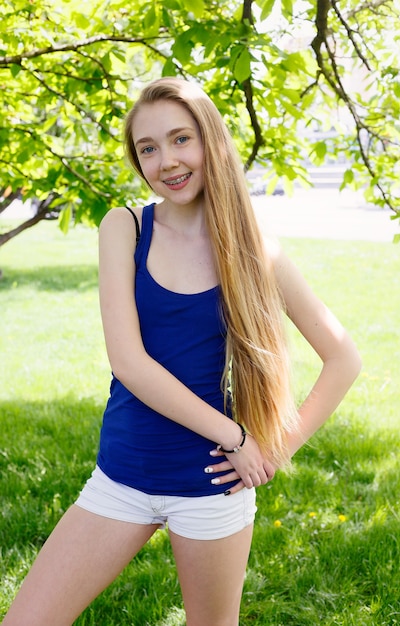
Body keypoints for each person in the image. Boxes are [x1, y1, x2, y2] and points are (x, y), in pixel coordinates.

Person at [3, 77, 361, 626]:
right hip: (121, 477)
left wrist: (270, 452)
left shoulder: (252, 245)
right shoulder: (124, 227)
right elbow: (129, 362)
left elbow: (343, 358)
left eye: (180, 139)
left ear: (211, 142)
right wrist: (236, 436)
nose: (166, 160)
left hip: (211, 489)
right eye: (148, 148)